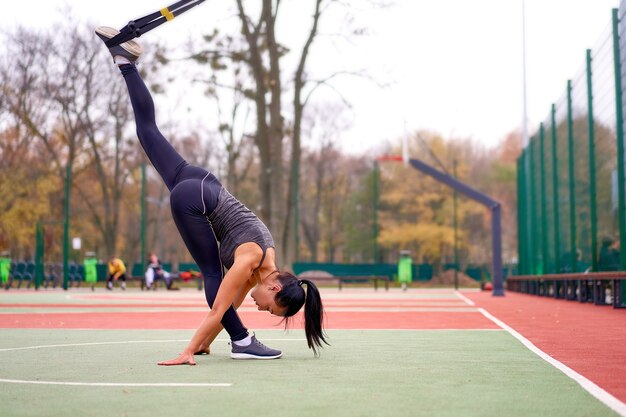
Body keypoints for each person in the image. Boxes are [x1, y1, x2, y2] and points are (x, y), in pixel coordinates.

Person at [96, 26, 328, 364]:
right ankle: (243, 342)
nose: (261, 308)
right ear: (275, 288)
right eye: (270, 307)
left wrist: (207, 341)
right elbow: (220, 304)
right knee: (212, 277)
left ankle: (125, 62)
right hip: (196, 200)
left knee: (147, 131)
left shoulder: (262, 263)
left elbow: (228, 308)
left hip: (202, 182)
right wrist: (188, 350)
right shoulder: (251, 260)